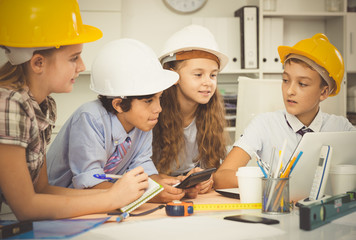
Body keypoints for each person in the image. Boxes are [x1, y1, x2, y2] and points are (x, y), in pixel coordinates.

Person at [0, 0, 148, 221]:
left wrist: (116, 195)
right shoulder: (9, 104)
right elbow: (26, 207)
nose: (81, 66)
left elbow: (42, 190)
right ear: (38, 63)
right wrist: (111, 199)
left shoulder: (41, 105)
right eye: (73, 58)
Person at [46, 38, 185, 203]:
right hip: (61, 203)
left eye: (159, 98)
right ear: (119, 104)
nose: (158, 109)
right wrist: (148, 195)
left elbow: (143, 169)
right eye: (148, 101)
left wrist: (168, 186)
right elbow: (90, 184)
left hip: (106, 201)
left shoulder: (143, 122)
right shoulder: (90, 119)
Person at [214, 33, 356, 189]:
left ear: (323, 92)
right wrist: (273, 186)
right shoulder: (264, 124)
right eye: (286, 80)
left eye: (302, 84)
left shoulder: (341, 128)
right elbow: (222, 176)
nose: (290, 91)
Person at [152, 25, 229, 198]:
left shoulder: (210, 116)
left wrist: (205, 179)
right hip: (157, 194)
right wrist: (179, 180)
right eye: (198, 74)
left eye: (213, 75)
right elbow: (142, 171)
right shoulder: (153, 113)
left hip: (187, 195)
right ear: (173, 76)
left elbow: (211, 165)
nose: (208, 82)